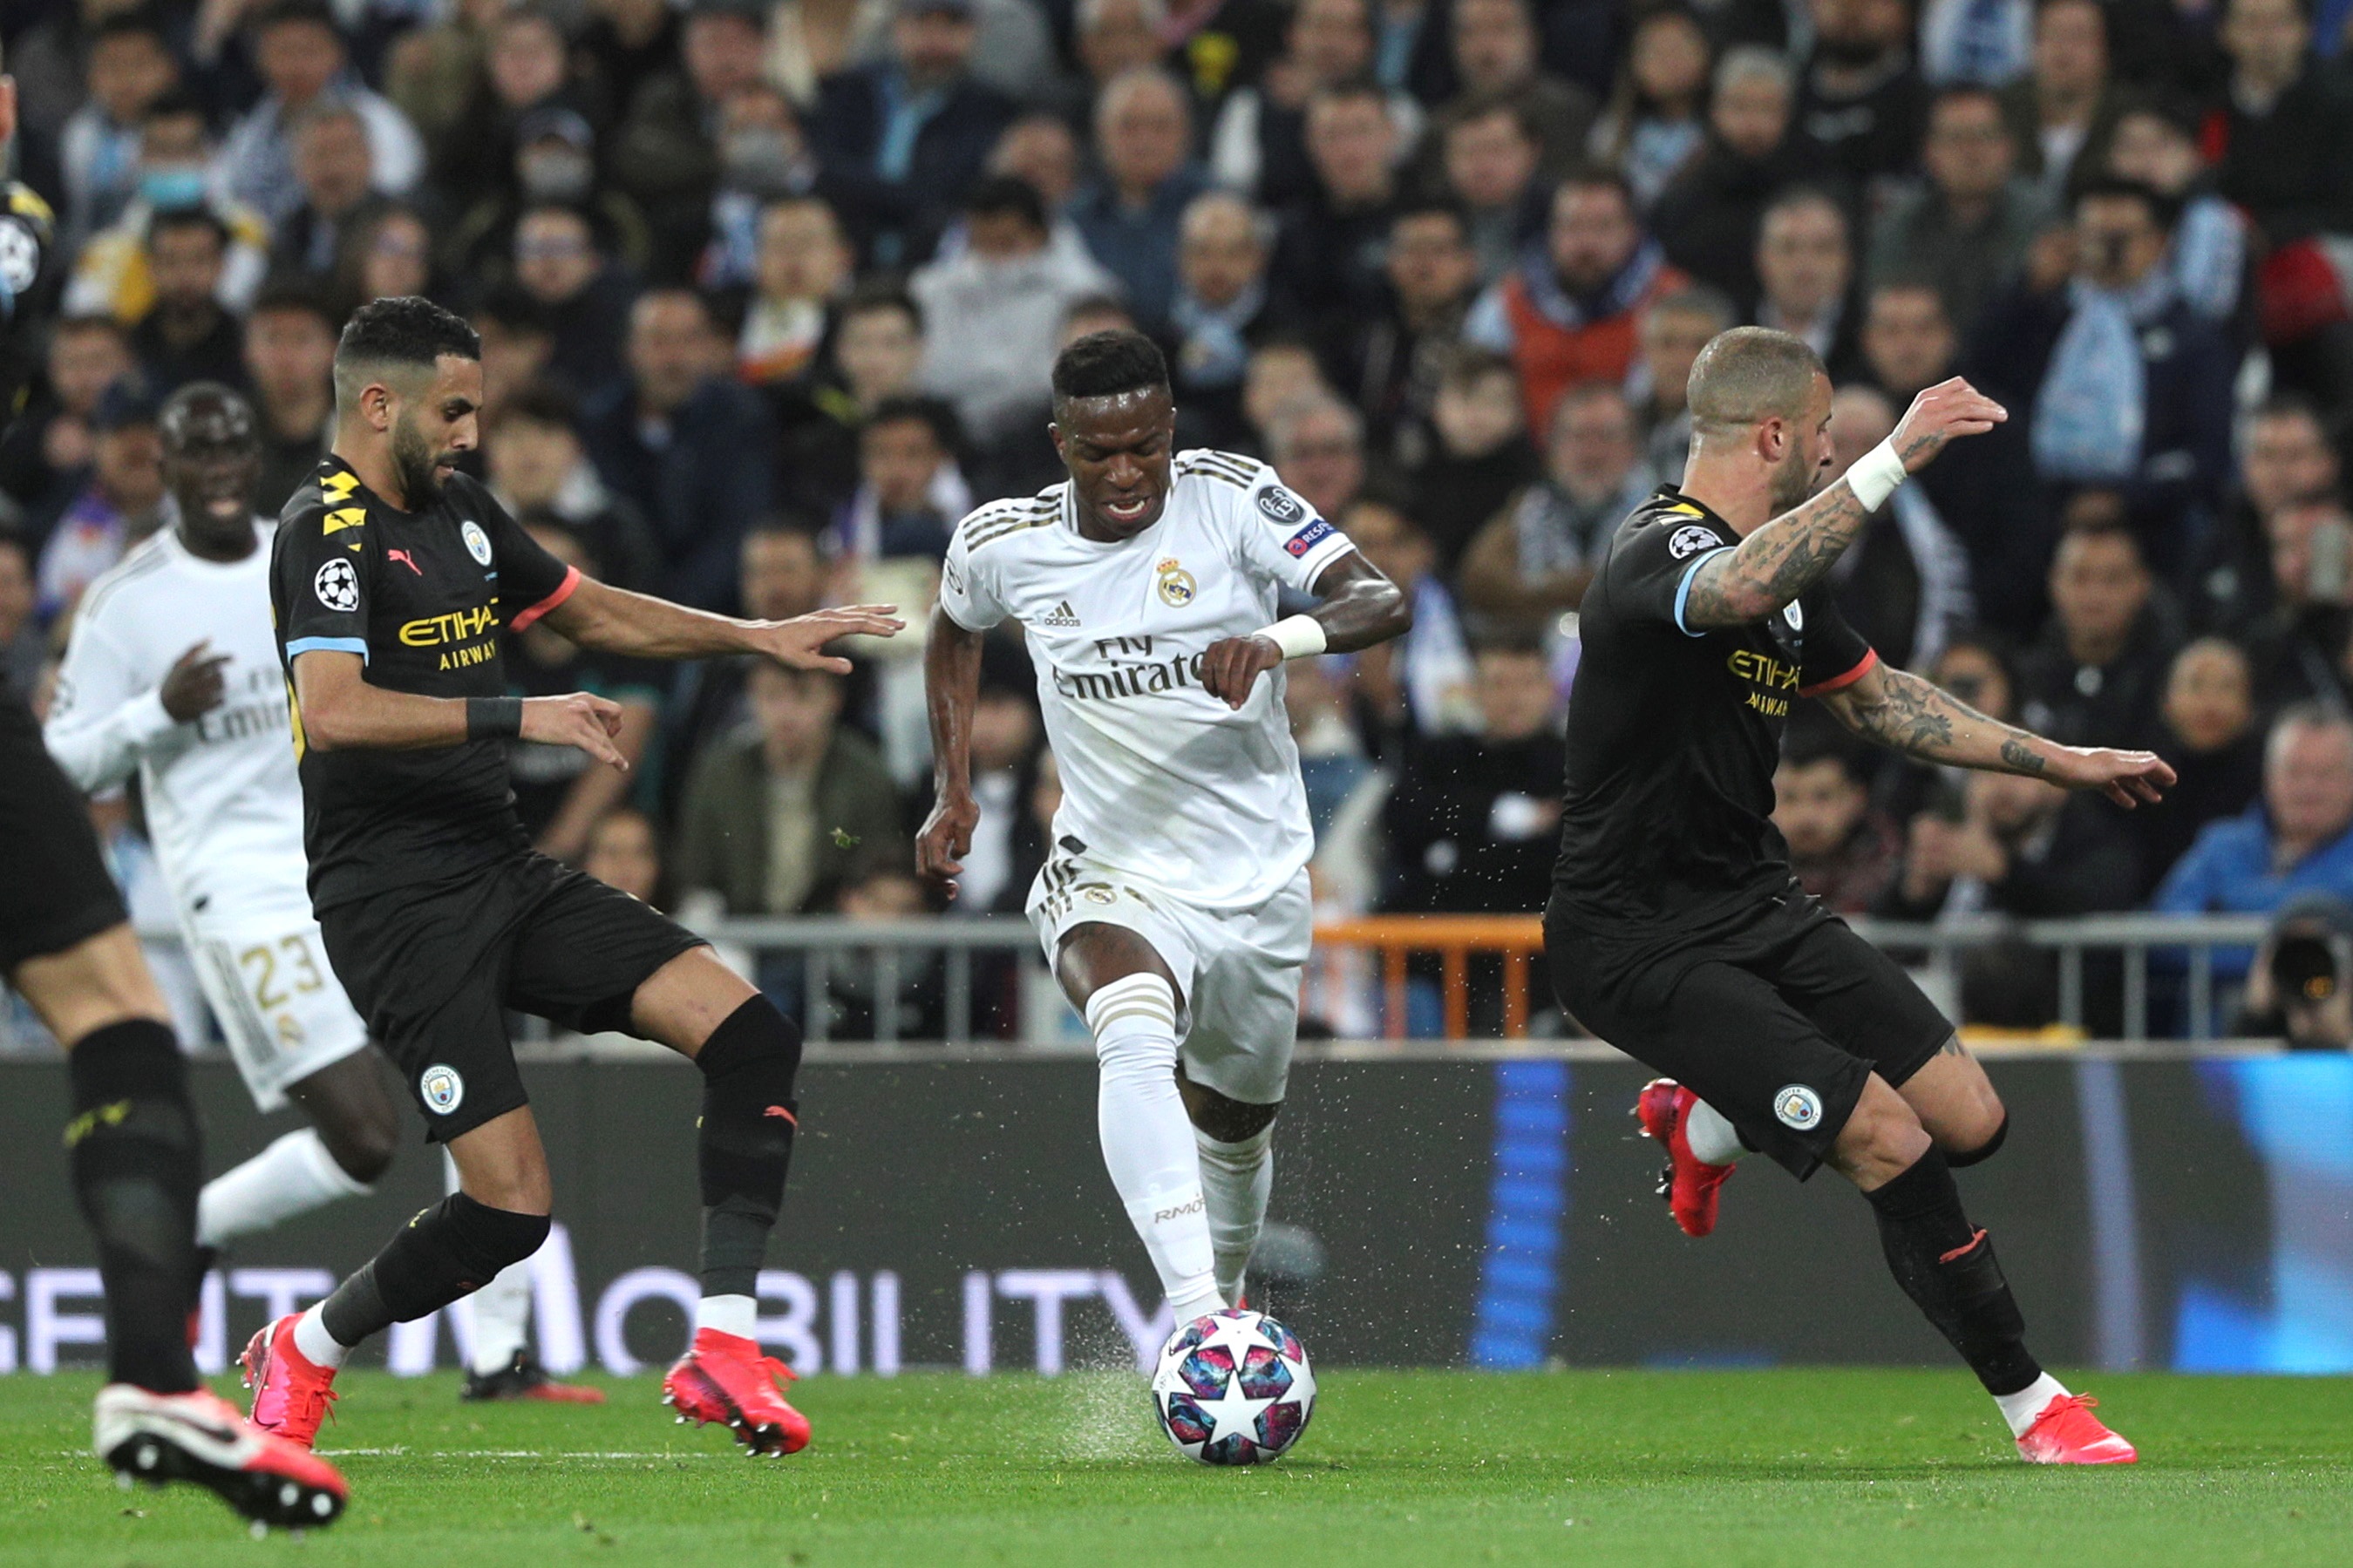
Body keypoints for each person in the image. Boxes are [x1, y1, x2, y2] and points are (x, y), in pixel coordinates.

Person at [240, 295, 901, 1456]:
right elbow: (333, 712)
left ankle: (724, 1339)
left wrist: (753, 635)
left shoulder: (461, 511)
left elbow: (588, 610)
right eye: (452, 410)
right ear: (377, 401)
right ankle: (303, 1347)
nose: (469, 434)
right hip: (393, 906)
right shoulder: (322, 527)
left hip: (499, 867)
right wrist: (519, 707)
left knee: (749, 1031)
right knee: (508, 1210)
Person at [1547, 324, 2169, 1463]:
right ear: (1774, 432)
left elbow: (1881, 701)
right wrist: (1896, 453)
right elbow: (1733, 586)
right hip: (1634, 937)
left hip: (1751, 902)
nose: (1836, 453)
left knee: (1967, 1117)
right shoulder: (1652, 551)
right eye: (1827, 435)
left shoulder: (1790, 581)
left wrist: (2062, 759)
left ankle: (1707, 1118)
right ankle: (2035, 1404)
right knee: (1884, 1137)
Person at [45, 381, 600, 1405]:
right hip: (236, 892)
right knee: (365, 1135)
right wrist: (154, 717)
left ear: (255, 455)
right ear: (160, 465)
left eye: (232, 446)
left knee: (470, 1062)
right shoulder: (127, 601)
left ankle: (498, 1355)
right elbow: (59, 760)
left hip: (355, 861)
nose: (216, 467)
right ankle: (198, 1225)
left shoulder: (308, 543)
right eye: (192, 450)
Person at [0, 51, 349, 1529]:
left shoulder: (296, 551)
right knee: (120, 1021)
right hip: (211, 870)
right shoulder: (132, 597)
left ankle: (159, 1359)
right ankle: (150, 1363)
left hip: (320, 863)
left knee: (127, 1022)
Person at [917, 329, 1410, 1336]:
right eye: (1098, 452)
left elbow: (1377, 596)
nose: (1126, 470)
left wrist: (1276, 639)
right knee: (1131, 1026)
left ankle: (1222, 1296)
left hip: (1257, 878)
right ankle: (1195, 1322)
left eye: (1144, 444)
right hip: (1111, 865)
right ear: (1061, 443)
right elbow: (953, 630)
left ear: (1170, 430)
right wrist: (951, 787)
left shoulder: (1230, 498)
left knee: (1234, 1129)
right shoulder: (1001, 541)